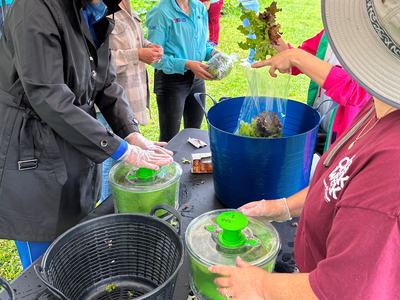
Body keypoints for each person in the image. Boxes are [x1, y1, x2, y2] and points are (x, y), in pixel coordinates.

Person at [210, 0, 400, 298]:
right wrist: (282, 207)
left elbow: (343, 289)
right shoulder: (377, 107)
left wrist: (260, 286)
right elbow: (337, 184)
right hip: (309, 268)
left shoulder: (391, 168)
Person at [0, 0, 172, 269]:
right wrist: (122, 150)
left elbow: (105, 83)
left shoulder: (95, 10)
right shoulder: (34, 9)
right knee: (44, 266)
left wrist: (131, 134)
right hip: (32, 156)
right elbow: (48, 95)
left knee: (77, 247)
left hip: (74, 143)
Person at [254, 30, 371, 154]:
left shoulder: (378, 45)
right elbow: (304, 62)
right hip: (320, 125)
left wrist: (295, 57)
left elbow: (355, 91)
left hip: (347, 139)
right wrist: (278, 43)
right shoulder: (329, 34)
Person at [97, 0, 165, 202]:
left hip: (128, 99)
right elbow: (97, 59)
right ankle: (105, 208)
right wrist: (136, 54)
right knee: (108, 162)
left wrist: (148, 48)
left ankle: (116, 203)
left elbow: (132, 41)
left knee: (122, 161)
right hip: (106, 104)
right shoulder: (98, 9)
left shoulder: (126, 5)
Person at [146, 0, 215, 142]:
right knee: (170, 138)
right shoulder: (160, 12)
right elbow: (155, 57)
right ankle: (167, 165)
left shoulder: (199, 8)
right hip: (171, 82)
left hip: (197, 79)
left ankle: (189, 165)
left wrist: (213, 53)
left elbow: (202, 45)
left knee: (194, 134)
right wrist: (187, 64)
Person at [238, 0, 260, 65]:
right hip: (245, 6)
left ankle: (252, 60)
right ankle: (251, 58)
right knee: (249, 34)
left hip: (250, 7)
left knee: (252, 35)